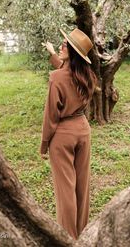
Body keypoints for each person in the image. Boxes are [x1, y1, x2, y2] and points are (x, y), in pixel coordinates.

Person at [40, 28, 97, 240]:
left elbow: (51, 116)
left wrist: (44, 144)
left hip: (62, 135)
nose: (61, 45)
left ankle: (68, 239)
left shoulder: (57, 78)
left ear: (72, 52)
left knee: (65, 190)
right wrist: (53, 53)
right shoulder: (87, 75)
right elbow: (67, 72)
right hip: (83, 131)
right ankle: (81, 234)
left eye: (65, 44)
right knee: (82, 186)